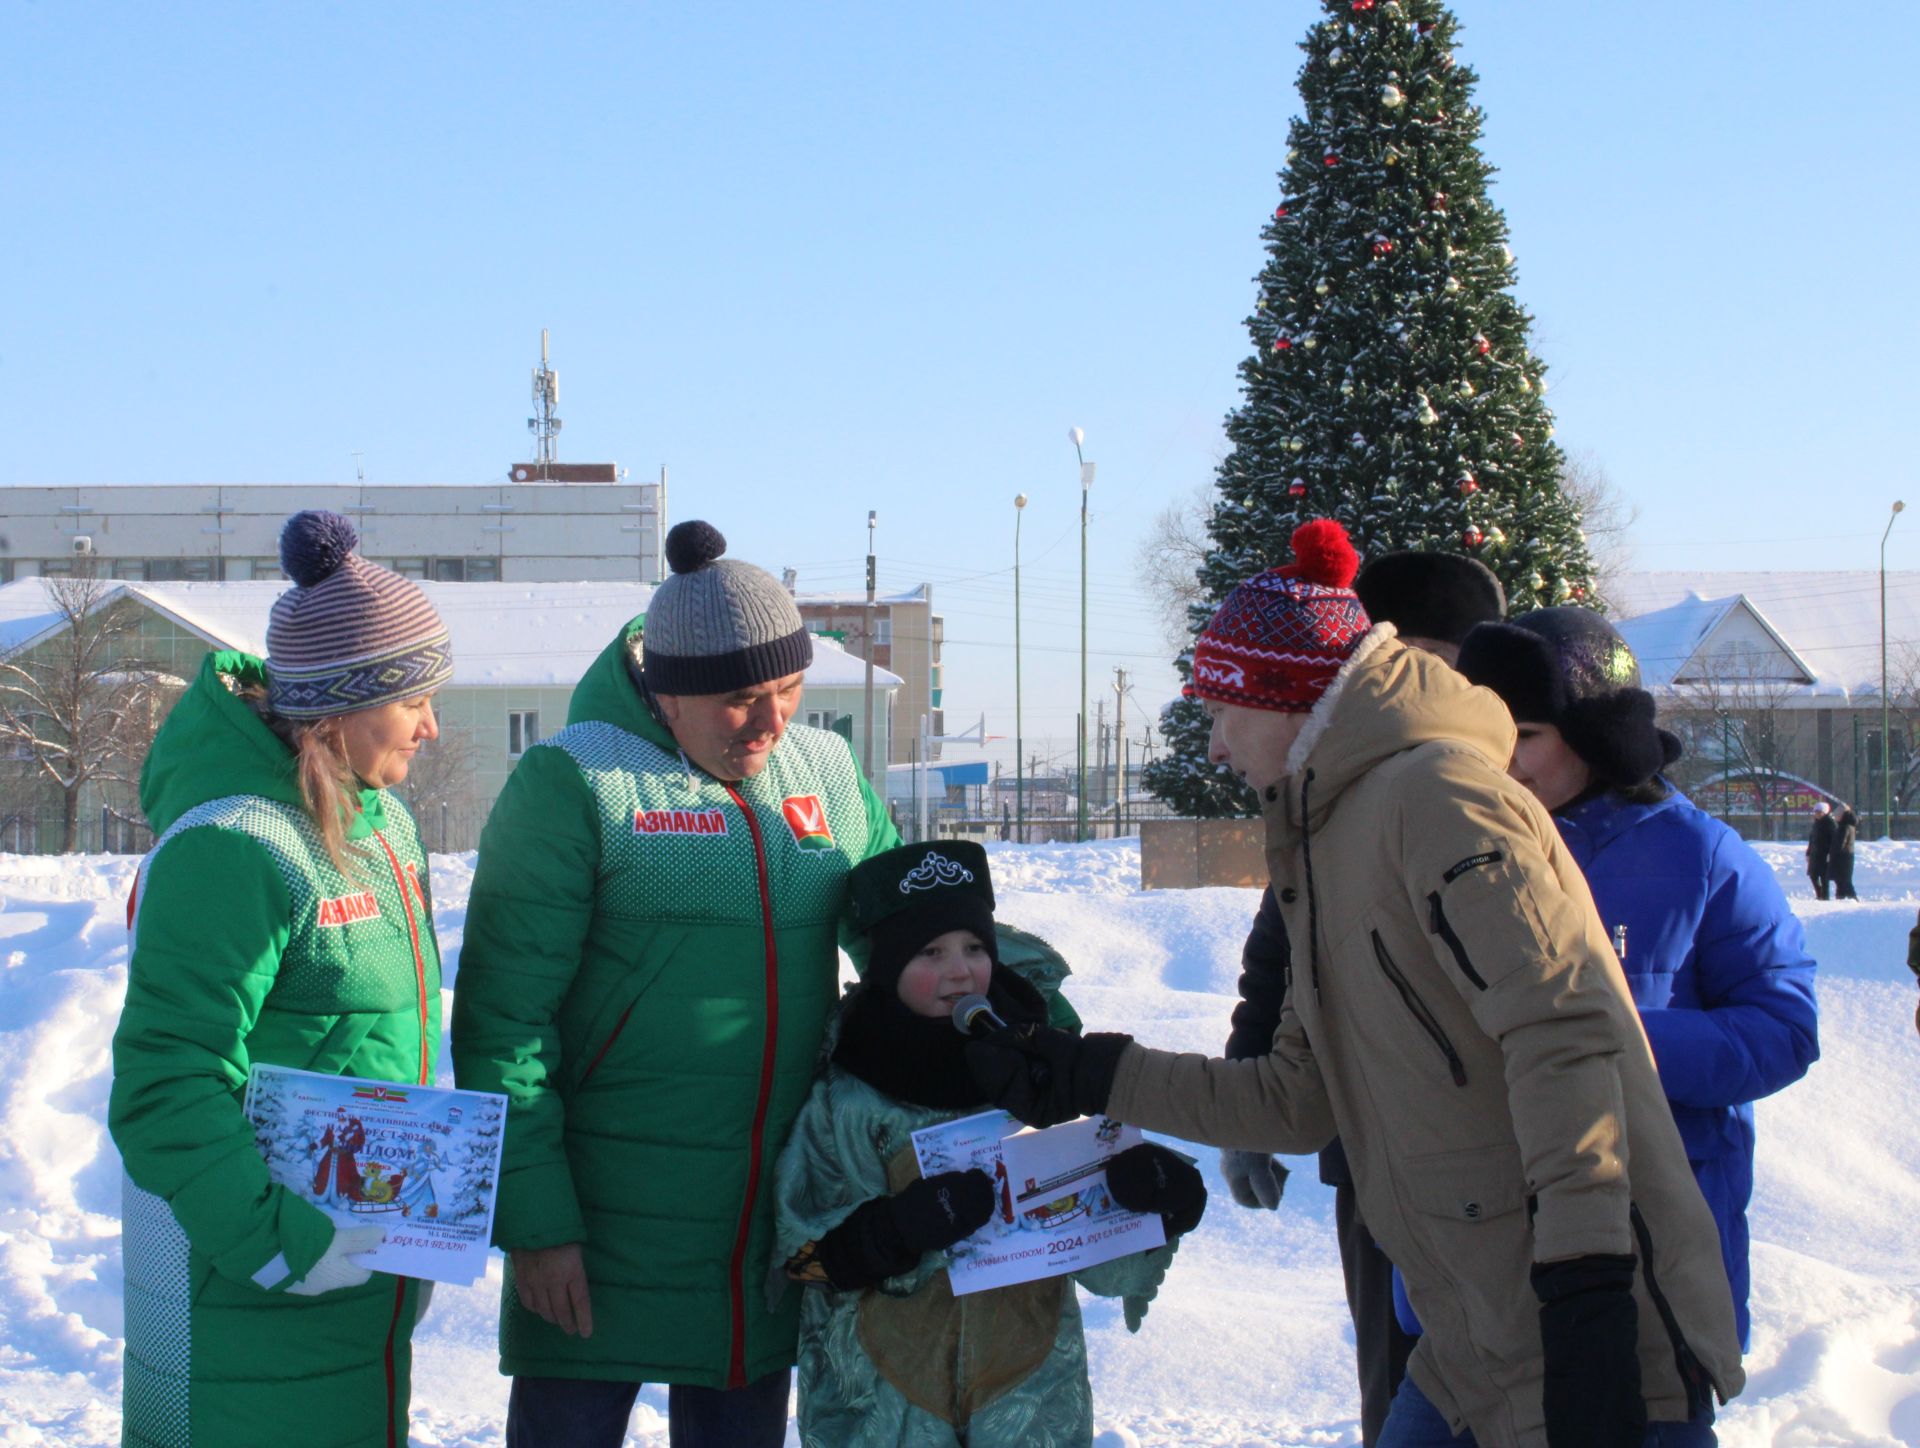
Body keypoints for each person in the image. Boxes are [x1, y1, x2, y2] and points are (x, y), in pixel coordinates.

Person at [965, 520, 1745, 1448]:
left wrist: (1588, 1288)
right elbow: (1298, 1098)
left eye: (1219, 710)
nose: (1213, 746)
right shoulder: (1330, 834)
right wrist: (1081, 1074)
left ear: (1285, 698)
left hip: (1590, 1338)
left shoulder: (1442, 797)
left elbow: (1562, 1031)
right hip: (1470, 1341)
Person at [452, 521, 913, 1447]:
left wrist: (1023, 1021)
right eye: (741, 699)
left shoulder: (821, 769)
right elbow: (505, 1021)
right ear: (665, 692)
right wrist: (535, 1223)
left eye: (788, 690)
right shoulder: (577, 782)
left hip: (769, 1231)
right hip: (601, 1236)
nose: (773, 721)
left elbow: (907, 942)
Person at [111, 509, 451, 1448]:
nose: (432, 724)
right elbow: (167, 1083)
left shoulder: (377, 822)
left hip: (356, 1282)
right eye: (412, 697)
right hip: (241, 1299)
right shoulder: (234, 847)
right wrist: (279, 1248)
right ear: (337, 708)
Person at [1454, 608, 1818, 1355]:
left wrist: (1604, 1036)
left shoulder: (1702, 856)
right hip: (1483, 1262)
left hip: (1652, 1248)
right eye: (1485, 733)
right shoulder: (1457, 847)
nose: (1503, 759)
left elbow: (1783, 1030)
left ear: (1594, 737)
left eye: (1525, 735)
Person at [774, 840, 1200, 1446]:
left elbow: (1098, 1251)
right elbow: (803, 1250)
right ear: (889, 962)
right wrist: (892, 1232)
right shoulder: (853, 1095)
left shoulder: (1038, 1073)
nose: (960, 970)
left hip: (1030, 1397)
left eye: (975, 948)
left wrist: (1158, 1200)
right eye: (930, 952)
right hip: (882, 1405)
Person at [1219, 548, 1505, 1447]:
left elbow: (1565, 1016)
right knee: (1398, 1387)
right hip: (1370, 1147)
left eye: (1431, 657)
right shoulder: (1328, 800)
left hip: (1502, 1172)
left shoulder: (1487, 774)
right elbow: (1284, 953)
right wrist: (1248, 1094)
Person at [1829, 803, 1859, 900]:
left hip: (1842, 859)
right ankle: (1840, 900)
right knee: (1841, 883)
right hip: (1845, 858)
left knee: (1844, 882)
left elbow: (1840, 844)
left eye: (1836, 815)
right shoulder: (1848, 826)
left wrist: (1832, 854)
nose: (1835, 817)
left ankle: (1853, 899)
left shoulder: (1844, 827)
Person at [1805, 802, 1835, 899]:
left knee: (1824, 877)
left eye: (1819, 812)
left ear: (1825, 812)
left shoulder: (1830, 823)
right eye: (1815, 811)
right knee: (1813, 875)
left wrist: (1831, 853)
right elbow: (1811, 839)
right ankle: (1819, 894)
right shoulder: (1816, 823)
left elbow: (1834, 840)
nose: (1816, 814)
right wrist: (1808, 852)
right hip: (1815, 853)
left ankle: (1824, 896)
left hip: (1824, 854)